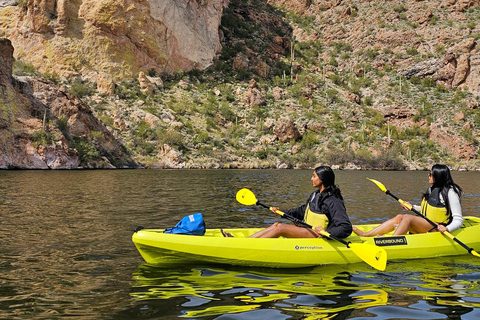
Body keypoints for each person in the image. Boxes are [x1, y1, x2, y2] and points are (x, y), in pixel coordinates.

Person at [353, 164, 463, 237]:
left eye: (430, 174)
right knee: (400, 217)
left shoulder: (451, 192)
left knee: (407, 218)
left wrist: (447, 228)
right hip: (428, 224)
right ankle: (366, 235)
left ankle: (390, 241)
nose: (428, 176)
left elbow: (458, 219)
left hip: (438, 228)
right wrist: (413, 207)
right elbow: (430, 210)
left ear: (438, 176)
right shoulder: (432, 189)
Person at [248, 165, 352, 238]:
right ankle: (246, 241)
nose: (311, 179)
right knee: (276, 225)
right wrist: (283, 212)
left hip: (319, 235)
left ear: (322, 179)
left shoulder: (333, 200)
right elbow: (302, 211)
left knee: (280, 228)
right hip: (309, 230)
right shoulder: (315, 195)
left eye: (314, 176)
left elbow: (346, 227)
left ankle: (248, 246)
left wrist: (327, 232)